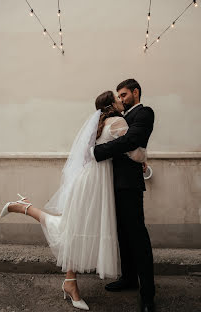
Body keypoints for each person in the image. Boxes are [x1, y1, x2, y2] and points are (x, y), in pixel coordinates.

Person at [0, 90, 147, 311]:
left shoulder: (98, 124)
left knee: (77, 228)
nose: (120, 101)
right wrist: (144, 158)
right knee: (76, 228)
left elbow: (88, 154)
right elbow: (135, 154)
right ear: (111, 105)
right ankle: (23, 208)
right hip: (96, 182)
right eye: (117, 99)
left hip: (88, 179)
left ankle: (70, 281)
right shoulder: (117, 122)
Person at [92, 79, 156, 312]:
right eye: (118, 95)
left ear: (135, 92)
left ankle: (147, 295)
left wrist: (96, 152)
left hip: (129, 184)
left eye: (124, 94)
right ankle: (128, 278)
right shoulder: (118, 117)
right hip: (112, 183)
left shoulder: (144, 113)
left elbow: (131, 140)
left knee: (138, 237)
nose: (120, 98)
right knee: (122, 235)